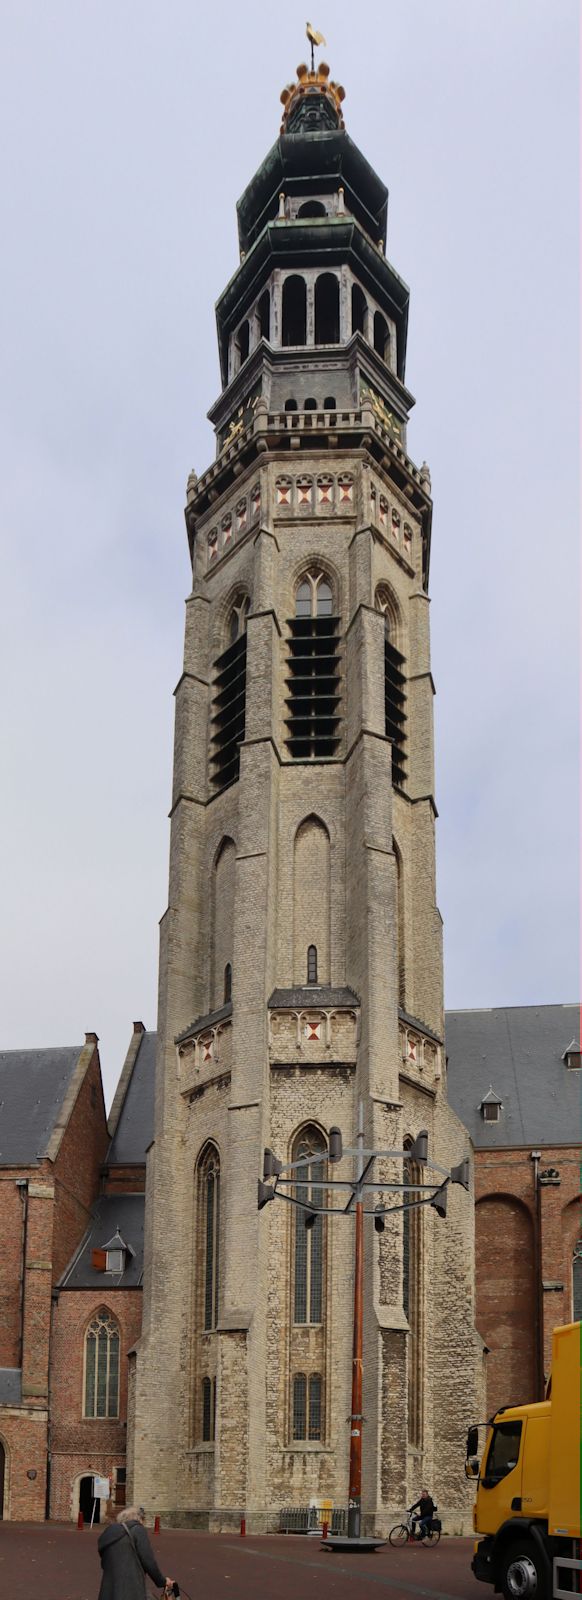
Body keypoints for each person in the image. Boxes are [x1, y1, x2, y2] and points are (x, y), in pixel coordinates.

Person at [97, 1505, 175, 1600]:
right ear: (139, 1519)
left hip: (109, 1591)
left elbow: (104, 1563)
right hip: (131, 1590)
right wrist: (162, 1581)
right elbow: (148, 1561)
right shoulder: (137, 1529)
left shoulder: (108, 1534)